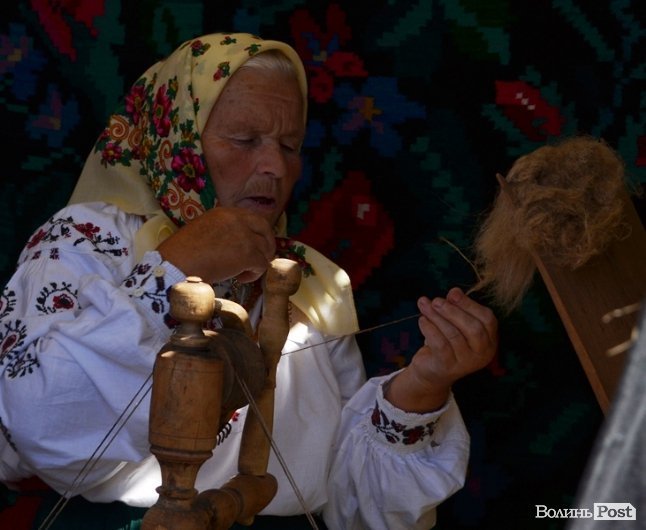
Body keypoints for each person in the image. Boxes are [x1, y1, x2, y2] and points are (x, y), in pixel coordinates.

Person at [0, 33, 497, 529]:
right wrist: (175, 267)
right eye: (244, 140)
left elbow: (349, 504)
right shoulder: (90, 238)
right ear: (178, 139)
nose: (276, 167)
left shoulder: (308, 283)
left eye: (290, 146)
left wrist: (421, 388)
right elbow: (41, 420)